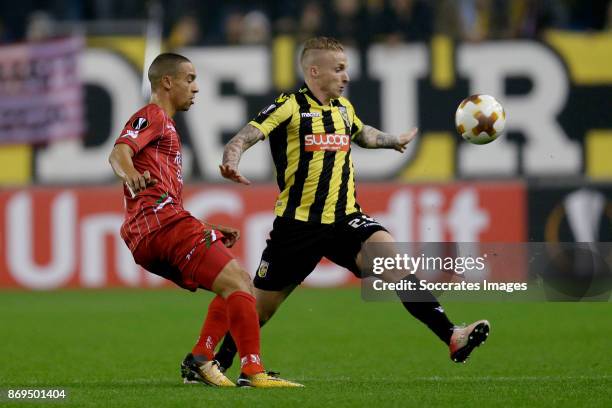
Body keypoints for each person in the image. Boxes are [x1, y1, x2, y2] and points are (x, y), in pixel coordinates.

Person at [216, 37, 490, 371]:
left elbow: (362, 134)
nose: (346, 76)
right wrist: (232, 158)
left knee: (392, 258)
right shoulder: (289, 106)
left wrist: (392, 141)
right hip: (298, 227)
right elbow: (245, 136)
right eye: (339, 69)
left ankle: (451, 335)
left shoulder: (344, 109)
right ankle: (215, 362)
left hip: (346, 219)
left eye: (346, 69)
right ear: (314, 71)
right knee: (261, 310)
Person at [108, 53, 302, 388]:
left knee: (231, 285)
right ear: (167, 82)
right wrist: (132, 175)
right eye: (189, 79)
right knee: (242, 282)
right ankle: (252, 371)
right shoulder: (152, 115)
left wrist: (203, 227)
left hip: (151, 234)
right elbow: (118, 152)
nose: (195, 88)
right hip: (161, 225)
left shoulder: (166, 127)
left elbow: (162, 196)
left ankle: (200, 358)